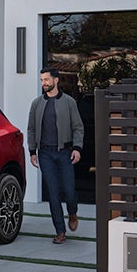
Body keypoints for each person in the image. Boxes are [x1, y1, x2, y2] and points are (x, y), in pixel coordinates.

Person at [27, 67, 84, 244]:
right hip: (45, 154)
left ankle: (72, 212)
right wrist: (32, 151)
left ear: (56, 80)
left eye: (46, 79)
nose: (43, 83)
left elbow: (78, 127)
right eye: (41, 80)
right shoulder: (37, 103)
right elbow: (31, 129)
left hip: (65, 152)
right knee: (53, 194)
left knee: (69, 191)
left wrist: (77, 148)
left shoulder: (69, 102)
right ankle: (60, 231)